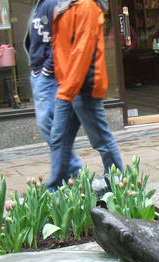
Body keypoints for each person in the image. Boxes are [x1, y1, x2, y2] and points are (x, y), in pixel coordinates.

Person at [48, 0, 123, 191]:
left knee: (100, 138)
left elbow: (82, 51)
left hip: (84, 85)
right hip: (69, 84)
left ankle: (119, 183)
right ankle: (56, 187)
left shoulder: (86, 6)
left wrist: (66, 90)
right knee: (59, 137)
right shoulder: (67, 6)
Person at [24, 0, 82, 178]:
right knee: (50, 126)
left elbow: (60, 39)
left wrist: (46, 71)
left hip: (46, 76)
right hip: (40, 75)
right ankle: (69, 170)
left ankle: (72, 169)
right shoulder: (38, 6)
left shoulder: (50, 4)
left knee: (48, 125)